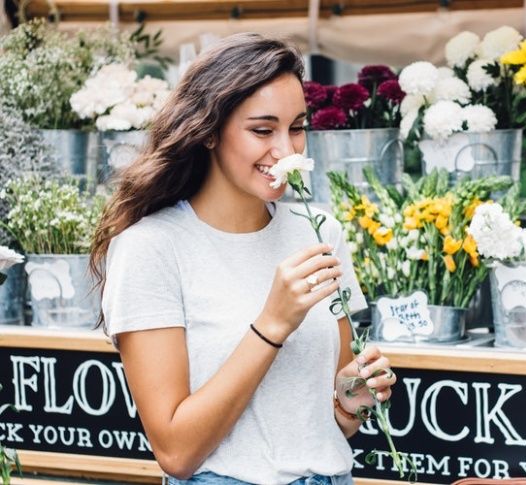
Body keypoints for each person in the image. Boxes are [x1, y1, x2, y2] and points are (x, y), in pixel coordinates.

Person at [90, 33, 397, 485]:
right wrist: (272, 323)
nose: (287, 151)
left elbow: (329, 425)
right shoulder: (150, 248)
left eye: (297, 127)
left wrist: (352, 399)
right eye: (262, 130)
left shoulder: (318, 231)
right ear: (209, 130)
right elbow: (175, 452)